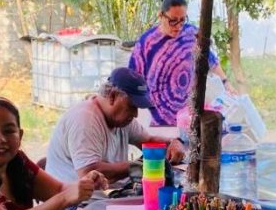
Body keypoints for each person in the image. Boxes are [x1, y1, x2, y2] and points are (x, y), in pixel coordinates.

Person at [46, 66, 185, 183]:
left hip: (103, 197)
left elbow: (148, 141)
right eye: (132, 106)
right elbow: (89, 173)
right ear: (112, 96)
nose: (136, 114)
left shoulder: (121, 119)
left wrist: (173, 143)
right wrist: (138, 166)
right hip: (77, 204)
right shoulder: (85, 119)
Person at [128, 0, 232, 127]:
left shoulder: (191, 34)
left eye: (182, 20)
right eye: (173, 21)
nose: (178, 26)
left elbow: (210, 60)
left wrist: (226, 83)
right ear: (161, 15)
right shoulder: (147, 43)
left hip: (190, 117)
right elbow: (132, 78)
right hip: (159, 121)